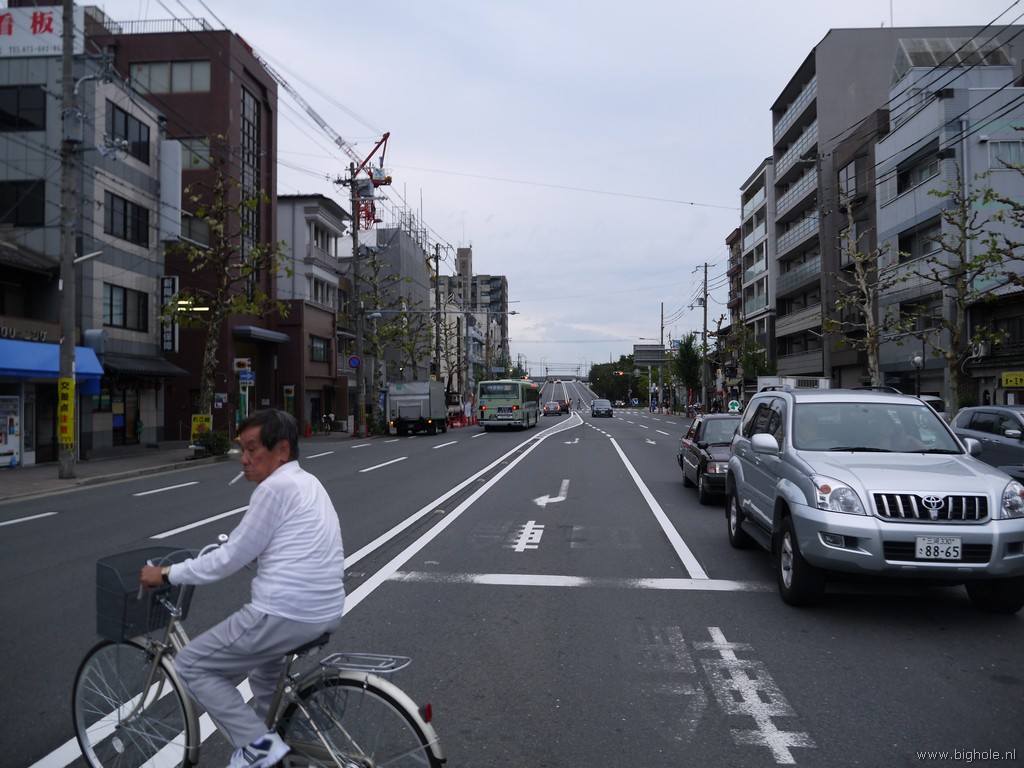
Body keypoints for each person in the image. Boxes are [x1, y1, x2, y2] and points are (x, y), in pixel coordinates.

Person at [140, 409, 345, 768]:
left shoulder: (274, 488)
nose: (244, 459)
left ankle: (258, 749)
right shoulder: (308, 483)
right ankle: (276, 750)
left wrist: (168, 573)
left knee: (191, 664)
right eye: (242, 450)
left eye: (252, 449)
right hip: (324, 609)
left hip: (284, 612)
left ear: (282, 450)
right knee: (263, 675)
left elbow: (229, 557)